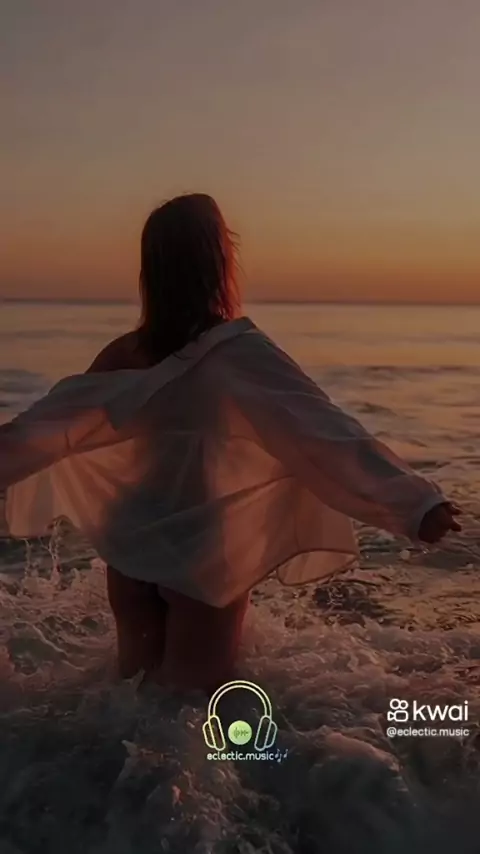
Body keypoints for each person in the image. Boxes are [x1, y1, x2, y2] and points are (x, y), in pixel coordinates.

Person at [0, 193, 461, 696]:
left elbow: (40, 431)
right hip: (201, 551)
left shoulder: (122, 354)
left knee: (124, 703)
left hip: (130, 545)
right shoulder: (237, 351)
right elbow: (323, 431)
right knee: (190, 715)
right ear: (219, 261)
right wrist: (415, 504)